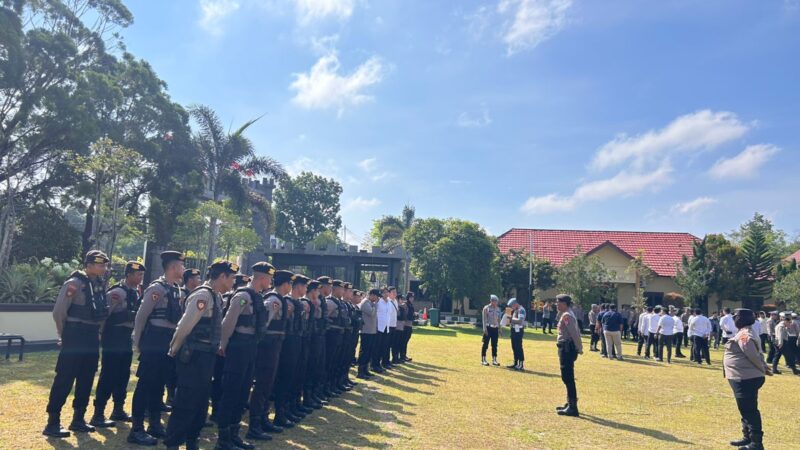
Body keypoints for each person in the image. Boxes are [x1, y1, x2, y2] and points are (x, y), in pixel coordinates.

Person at [162, 260, 236, 450]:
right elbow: (185, 325)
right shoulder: (203, 295)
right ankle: (173, 442)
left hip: (206, 357)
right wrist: (174, 349)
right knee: (186, 402)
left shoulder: (216, 296)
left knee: (201, 403)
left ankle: (192, 440)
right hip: (193, 357)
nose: (234, 281)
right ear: (222, 277)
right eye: (232, 277)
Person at [43, 250, 110, 438]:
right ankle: (53, 421)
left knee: (87, 378)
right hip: (74, 334)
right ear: (88, 265)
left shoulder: (99, 285)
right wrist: (63, 334)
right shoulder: (74, 284)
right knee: (65, 378)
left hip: (90, 336)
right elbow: (59, 312)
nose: (103, 268)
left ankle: (78, 419)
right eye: (100, 264)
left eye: (104, 264)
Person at [128, 251, 185, 446]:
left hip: (167, 341)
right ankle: (136, 429)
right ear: (173, 267)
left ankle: (154, 423)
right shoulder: (157, 288)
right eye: (181, 265)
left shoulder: (176, 288)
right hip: (154, 340)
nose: (183, 269)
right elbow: (141, 315)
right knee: (146, 384)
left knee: (159, 384)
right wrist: (137, 340)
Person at [215, 262, 273, 449]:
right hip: (238, 348)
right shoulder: (242, 296)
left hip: (250, 347)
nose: (270, 282)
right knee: (232, 392)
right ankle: (223, 439)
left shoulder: (256, 296)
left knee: (242, 393)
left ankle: (234, 434)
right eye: (269, 278)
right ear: (262, 278)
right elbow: (228, 322)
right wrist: (223, 344)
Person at [91, 261, 146, 428]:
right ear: (128, 275)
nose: (140, 278)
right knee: (109, 374)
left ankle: (118, 409)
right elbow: (104, 315)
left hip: (125, 337)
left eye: (142, 275)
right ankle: (98, 413)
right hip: (113, 336)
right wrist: (99, 334)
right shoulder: (117, 293)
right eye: (138, 275)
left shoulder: (135, 292)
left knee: (123, 374)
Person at [247, 269, 292, 440]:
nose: (290, 287)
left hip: (275, 347)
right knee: (262, 385)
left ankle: (264, 419)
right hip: (267, 348)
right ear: (285, 284)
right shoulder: (273, 300)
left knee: (268, 384)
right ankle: (255, 424)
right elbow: (263, 324)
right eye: (290, 283)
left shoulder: (278, 300)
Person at [724, 308, 771, 450]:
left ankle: (756, 443)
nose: (734, 320)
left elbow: (753, 355)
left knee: (749, 410)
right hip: (742, 376)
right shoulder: (745, 331)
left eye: (735, 318)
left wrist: (763, 368)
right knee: (745, 409)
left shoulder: (745, 334)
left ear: (740, 319)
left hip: (745, 378)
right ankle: (747, 437)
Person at [555, 294, 582, 417]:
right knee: (567, 377)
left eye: (558, 302)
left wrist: (579, 348)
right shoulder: (567, 313)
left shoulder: (567, 315)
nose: (557, 305)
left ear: (565, 303)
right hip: (565, 347)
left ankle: (573, 407)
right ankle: (569, 402)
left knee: (567, 377)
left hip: (566, 348)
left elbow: (574, 333)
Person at [357, 289, 379, 379]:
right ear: (371, 295)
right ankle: (360, 371)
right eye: (376, 296)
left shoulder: (371, 303)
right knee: (365, 352)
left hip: (371, 331)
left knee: (369, 351)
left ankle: (366, 369)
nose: (377, 298)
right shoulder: (365, 302)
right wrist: (376, 305)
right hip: (366, 331)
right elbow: (371, 313)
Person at [481, 295, 502, 366]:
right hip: (488, 328)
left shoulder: (498, 309)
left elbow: (499, 320)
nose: (496, 303)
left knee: (494, 345)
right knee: (485, 344)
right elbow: (484, 319)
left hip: (495, 328)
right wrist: (484, 329)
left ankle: (494, 359)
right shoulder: (486, 308)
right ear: (491, 301)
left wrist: (500, 328)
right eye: (495, 301)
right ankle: (483, 359)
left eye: (496, 301)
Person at [375, 289, 391, 374]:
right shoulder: (378, 302)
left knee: (383, 347)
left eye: (387, 292)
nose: (386, 294)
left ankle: (380, 364)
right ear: (381, 294)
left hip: (386, 327)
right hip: (379, 327)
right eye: (384, 292)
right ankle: (375, 364)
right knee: (377, 347)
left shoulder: (389, 302)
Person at [507, 298, 526, 371]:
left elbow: (520, 321)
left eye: (512, 306)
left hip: (518, 330)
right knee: (514, 347)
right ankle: (515, 363)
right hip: (514, 330)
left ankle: (521, 364)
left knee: (518, 347)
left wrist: (511, 319)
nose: (511, 308)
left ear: (515, 304)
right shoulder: (515, 310)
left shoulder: (521, 310)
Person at [400, 291, 415, 362]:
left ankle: (404, 355)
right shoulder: (405, 304)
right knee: (403, 341)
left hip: (410, 324)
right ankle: (402, 356)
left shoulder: (411, 305)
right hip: (405, 325)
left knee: (406, 341)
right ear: (408, 298)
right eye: (411, 297)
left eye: (413, 297)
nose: (412, 299)